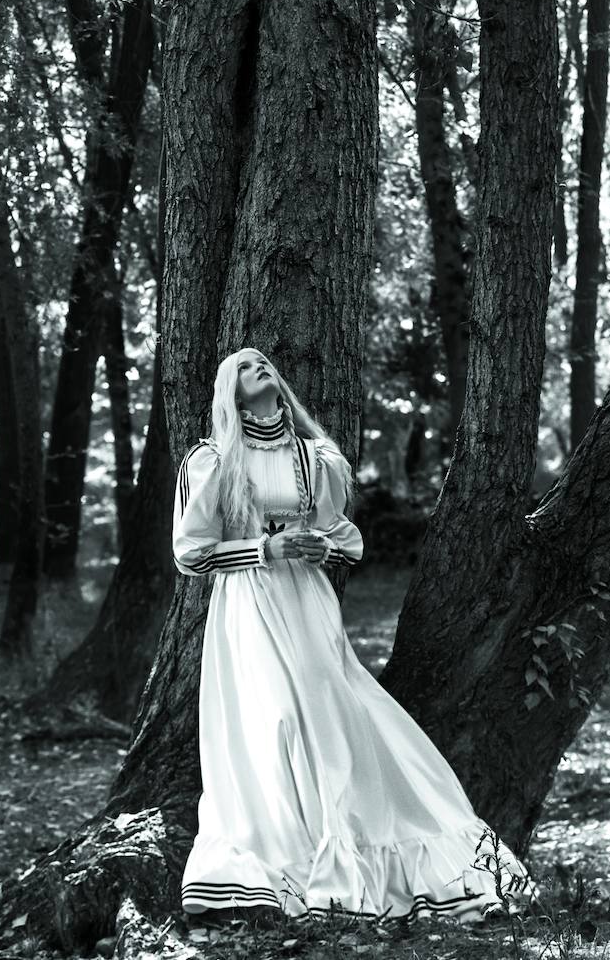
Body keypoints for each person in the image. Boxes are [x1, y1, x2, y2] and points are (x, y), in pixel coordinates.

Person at [172, 346, 531, 923]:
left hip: (308, 601)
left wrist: (319, 546)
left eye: (264, 362)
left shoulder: (314, 458)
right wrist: (264, 548)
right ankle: (280, 863)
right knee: (274, 720)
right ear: (230, 392)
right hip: (248, 605)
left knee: (328, 714)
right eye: (245, 367)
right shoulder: (213, 461)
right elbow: (190, 553)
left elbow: (341, 536)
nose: (260, 367)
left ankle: (365, 850)